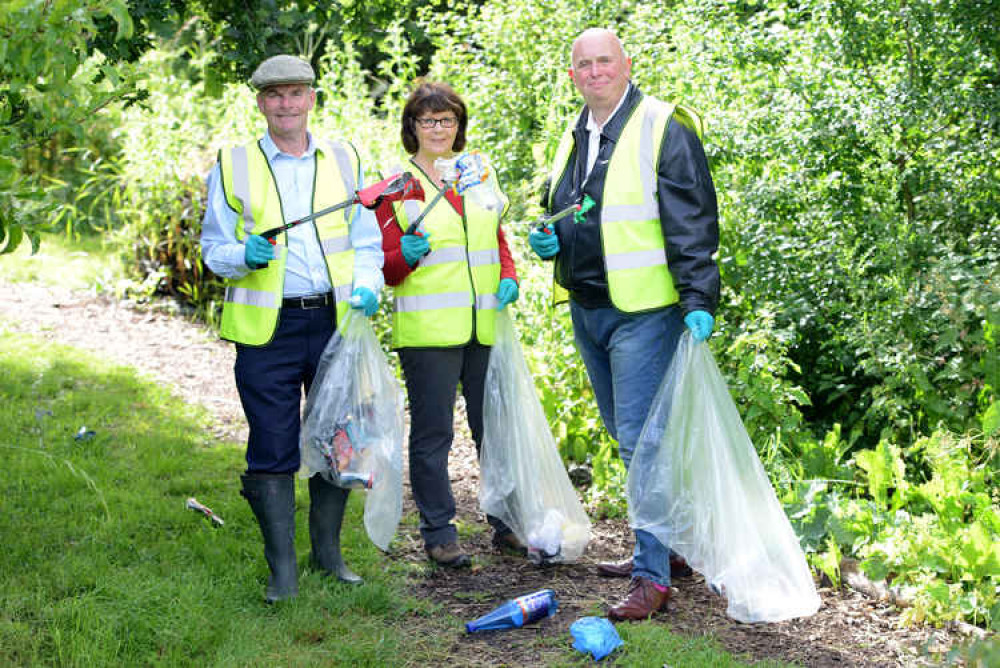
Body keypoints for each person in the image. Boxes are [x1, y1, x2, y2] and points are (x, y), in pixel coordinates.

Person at [529, 29, 720, 620]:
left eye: (603, 61)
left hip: (644, 311)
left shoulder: (665, 126)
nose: (594, 72)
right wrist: (550, 236)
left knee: (642, 442)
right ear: (572, 75)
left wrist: (698, 296)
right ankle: (673, 547)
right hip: (588, 307)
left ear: (625, 64)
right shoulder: (575, 132)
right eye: (582, 65)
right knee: (627, 434)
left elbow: (692, 217)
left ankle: (652, 579)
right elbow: (568, 206)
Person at [200, 54, 384, 602]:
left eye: (295, 93)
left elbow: (366, 240)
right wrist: (241, 255)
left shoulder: (344, 159)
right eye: (274, 94)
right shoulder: (233, 165)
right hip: (267, 328)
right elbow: (213, 249)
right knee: (273, 444)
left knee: (339, 440)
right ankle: (283, 569)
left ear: (311, 99)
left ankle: (328, 555)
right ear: (260, 102)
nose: (285, 104)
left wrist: (370, 283)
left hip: (334, 320)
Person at [376, 81, 523, 568]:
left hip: (484, 325)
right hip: (430, 333)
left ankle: (506, 524)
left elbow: (495, 237)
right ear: (412, 127)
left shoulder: (476, 174)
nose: (439, 129)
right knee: (434, 435)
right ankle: (439, 532)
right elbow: (386, 266)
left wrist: (508, 275)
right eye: (428, 120)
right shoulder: (398, 185)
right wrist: (404, 256)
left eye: (448, 120)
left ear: (459, 127)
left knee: (494, 429)